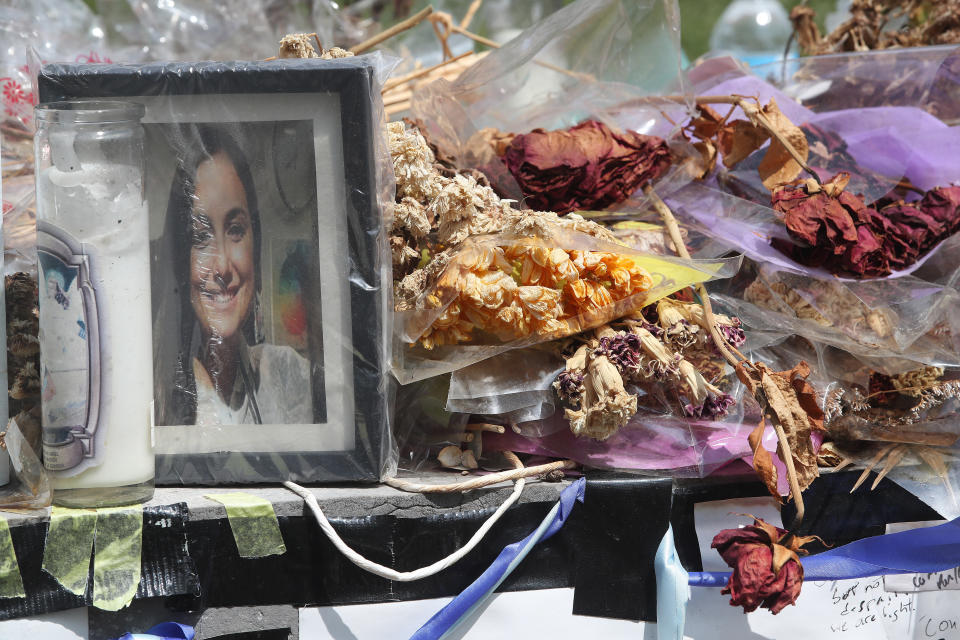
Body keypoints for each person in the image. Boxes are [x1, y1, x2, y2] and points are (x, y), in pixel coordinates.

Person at [156, 125, 313, 426]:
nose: (223, 266)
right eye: (201, 237)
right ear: (179, 258)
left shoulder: (290, 378)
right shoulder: (151, 396)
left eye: (236, 230)